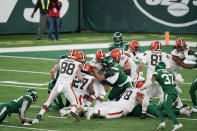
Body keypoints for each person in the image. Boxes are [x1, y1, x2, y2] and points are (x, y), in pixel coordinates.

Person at [33, 49, 83, 123]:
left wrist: (54, 80)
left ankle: (39, 115)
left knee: (48, 101)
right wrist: (79, 80)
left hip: (58, 84)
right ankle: (72, 112)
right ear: (76, 56)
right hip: (67, 85)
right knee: (74, 102)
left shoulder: (62, 61)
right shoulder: (78, 64)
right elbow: (80, 78)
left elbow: (52, 71)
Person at [135, 40, 170, 119]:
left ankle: (143, 113)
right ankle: (163, 111)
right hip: (159, 79)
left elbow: (141, 65)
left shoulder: (148, 53)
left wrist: (135, 74)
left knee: (147, 95)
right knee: (162, 95)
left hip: (150, 79)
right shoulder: (164, 55)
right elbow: (169, 69)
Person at [147, 62, 183, 131]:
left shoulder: (157, 72)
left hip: (168, 93)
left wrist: (158, 82)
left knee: (167, 109)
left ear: (158, 67)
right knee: (159, 108)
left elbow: (152, 81)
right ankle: (162, 123)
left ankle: (177, 123)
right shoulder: (169, 72)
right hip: (174, 93)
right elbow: (176, 79)